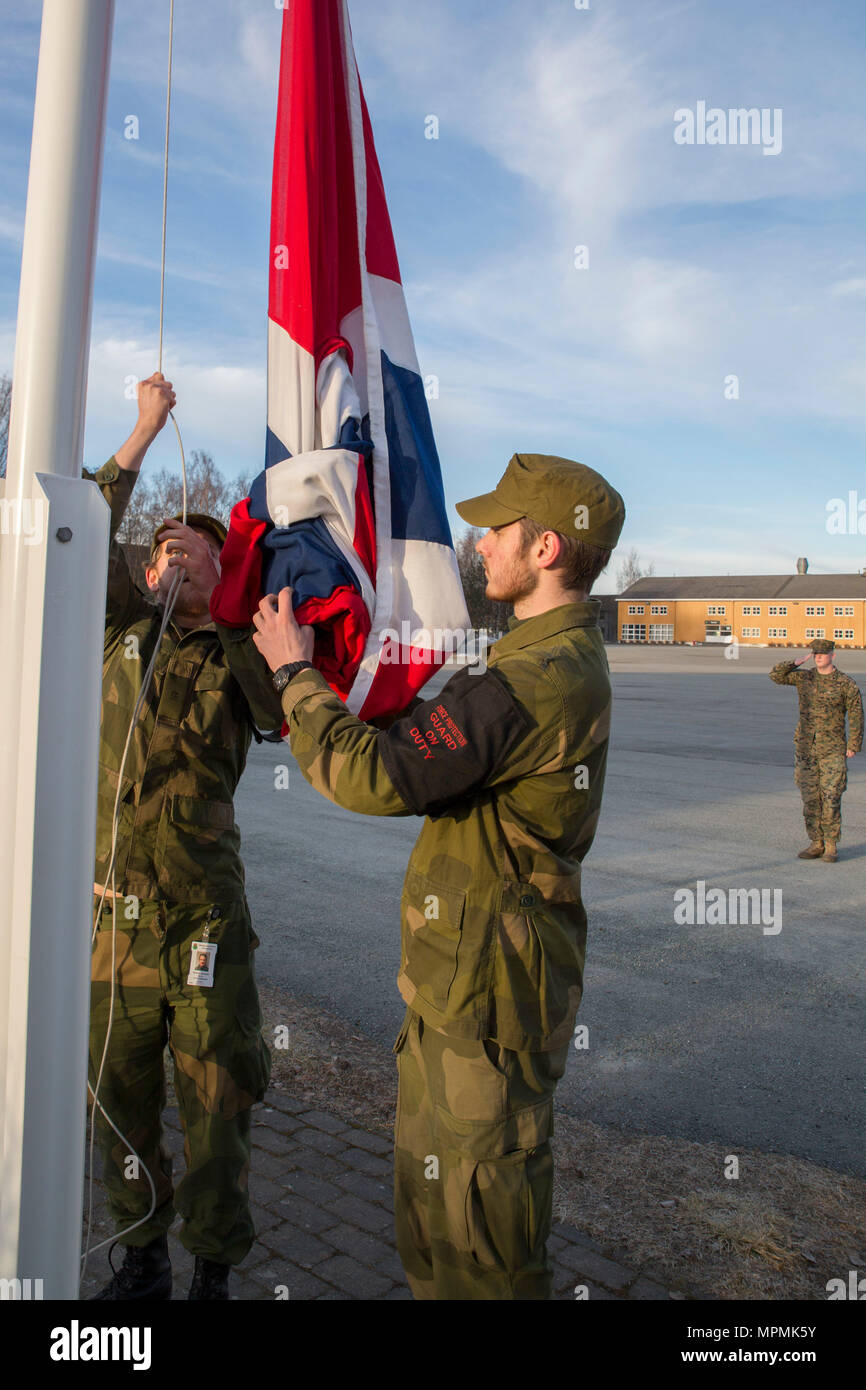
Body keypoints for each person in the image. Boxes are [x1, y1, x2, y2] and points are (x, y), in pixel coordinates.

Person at [251, 451, 625, 1299]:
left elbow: (374, 776)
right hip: (466, 996)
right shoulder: (532, 667)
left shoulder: (536, 681)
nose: (479, 541)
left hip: (488, 1012)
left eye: (499, 529)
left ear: (547, 551)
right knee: (436, 1231)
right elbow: (434, 746)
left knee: (481, 1252)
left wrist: (293, 673)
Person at [87, 372, 285, 1300]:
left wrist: (239, 597)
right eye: (162, 550)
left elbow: (285, 709)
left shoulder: (240, 659)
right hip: (115, 921)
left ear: (221, 576)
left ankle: (213, 1268)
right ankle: (141, 1253)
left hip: (204, 919)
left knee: (217, 1102)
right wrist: (140, 434)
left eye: (194, 555)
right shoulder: (117, 631)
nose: (172, 559)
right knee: (118, 1102)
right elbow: (84, 526)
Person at [769, 638, 862, 863]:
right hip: (805, 747)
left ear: (832, 655)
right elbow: (776, 675)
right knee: (810, 797)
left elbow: (856, 714)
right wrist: (796, 662)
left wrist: (853, 744)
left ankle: (831, 846)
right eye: (815, 653)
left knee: (831, 797)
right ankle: (816, 842)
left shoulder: (845, 683)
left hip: (833, 749)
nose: (818, 656)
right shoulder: (805, 678)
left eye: (823, 653)